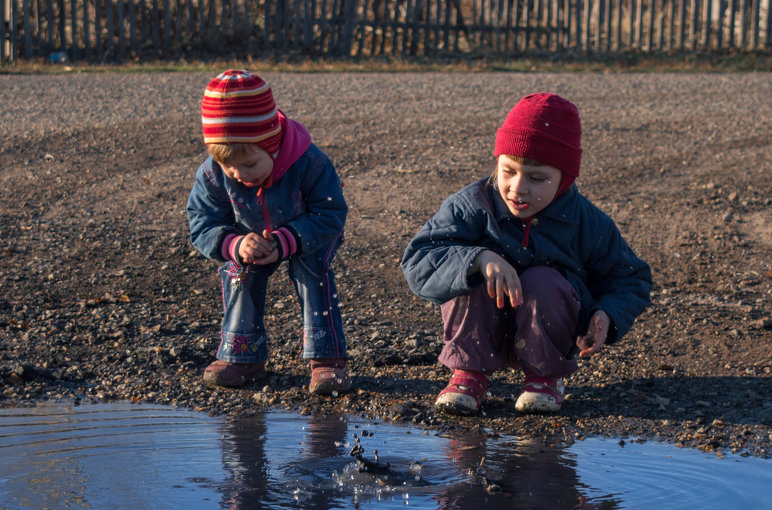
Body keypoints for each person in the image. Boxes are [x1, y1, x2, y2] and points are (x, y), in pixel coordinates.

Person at [401, 92, 652, 415]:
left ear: (565, 179)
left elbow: (630, 278)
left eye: (537, 178)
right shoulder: (470, 205)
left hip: (548, 335)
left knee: (544, 280)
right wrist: (478, 258)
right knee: (467, 269)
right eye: (508, 170)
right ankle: (468, 374)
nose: (518, 188)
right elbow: (418, 258)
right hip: (478, 332)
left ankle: (544, 378)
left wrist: (607, 314)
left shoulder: (586, 221)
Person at [188, 69, 350, 395]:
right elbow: (202, 222)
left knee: (311, 271)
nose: (238, 174)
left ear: (271, 144)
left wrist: (287, 240)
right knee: (239, 273)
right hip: (250, 239)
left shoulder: (309, 163)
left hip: (307, 232)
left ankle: (327, 359)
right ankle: (243, 356)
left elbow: (331, 213)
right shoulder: (213, 174)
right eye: (228, 166)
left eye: (248, 165)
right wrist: (234, 244)